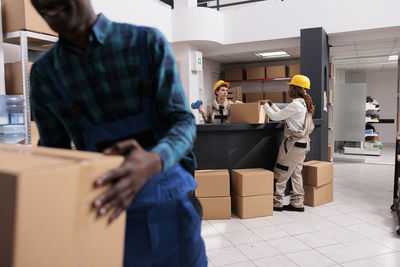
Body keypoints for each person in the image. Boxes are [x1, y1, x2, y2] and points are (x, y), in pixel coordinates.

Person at [29, 0, 207, 266]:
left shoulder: (146, 43)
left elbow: (182, 121)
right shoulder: (46, 74)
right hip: (107, 211)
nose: (48, 7)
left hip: (171, 202)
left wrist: (153, 160)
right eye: (41, 6)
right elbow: (54, 153)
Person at [260, 75, 315, 212]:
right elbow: (285, 115)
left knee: (282, 171)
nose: (288, 89)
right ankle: (297, 203)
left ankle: (277, 203)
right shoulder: (303, 103)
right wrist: (273, 105)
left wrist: (265, 105)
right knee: (296, 173)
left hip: (294, 145)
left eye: (290, 86)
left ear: (296, 89)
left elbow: (275, 117)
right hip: (303, 144)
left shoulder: (296, 104)